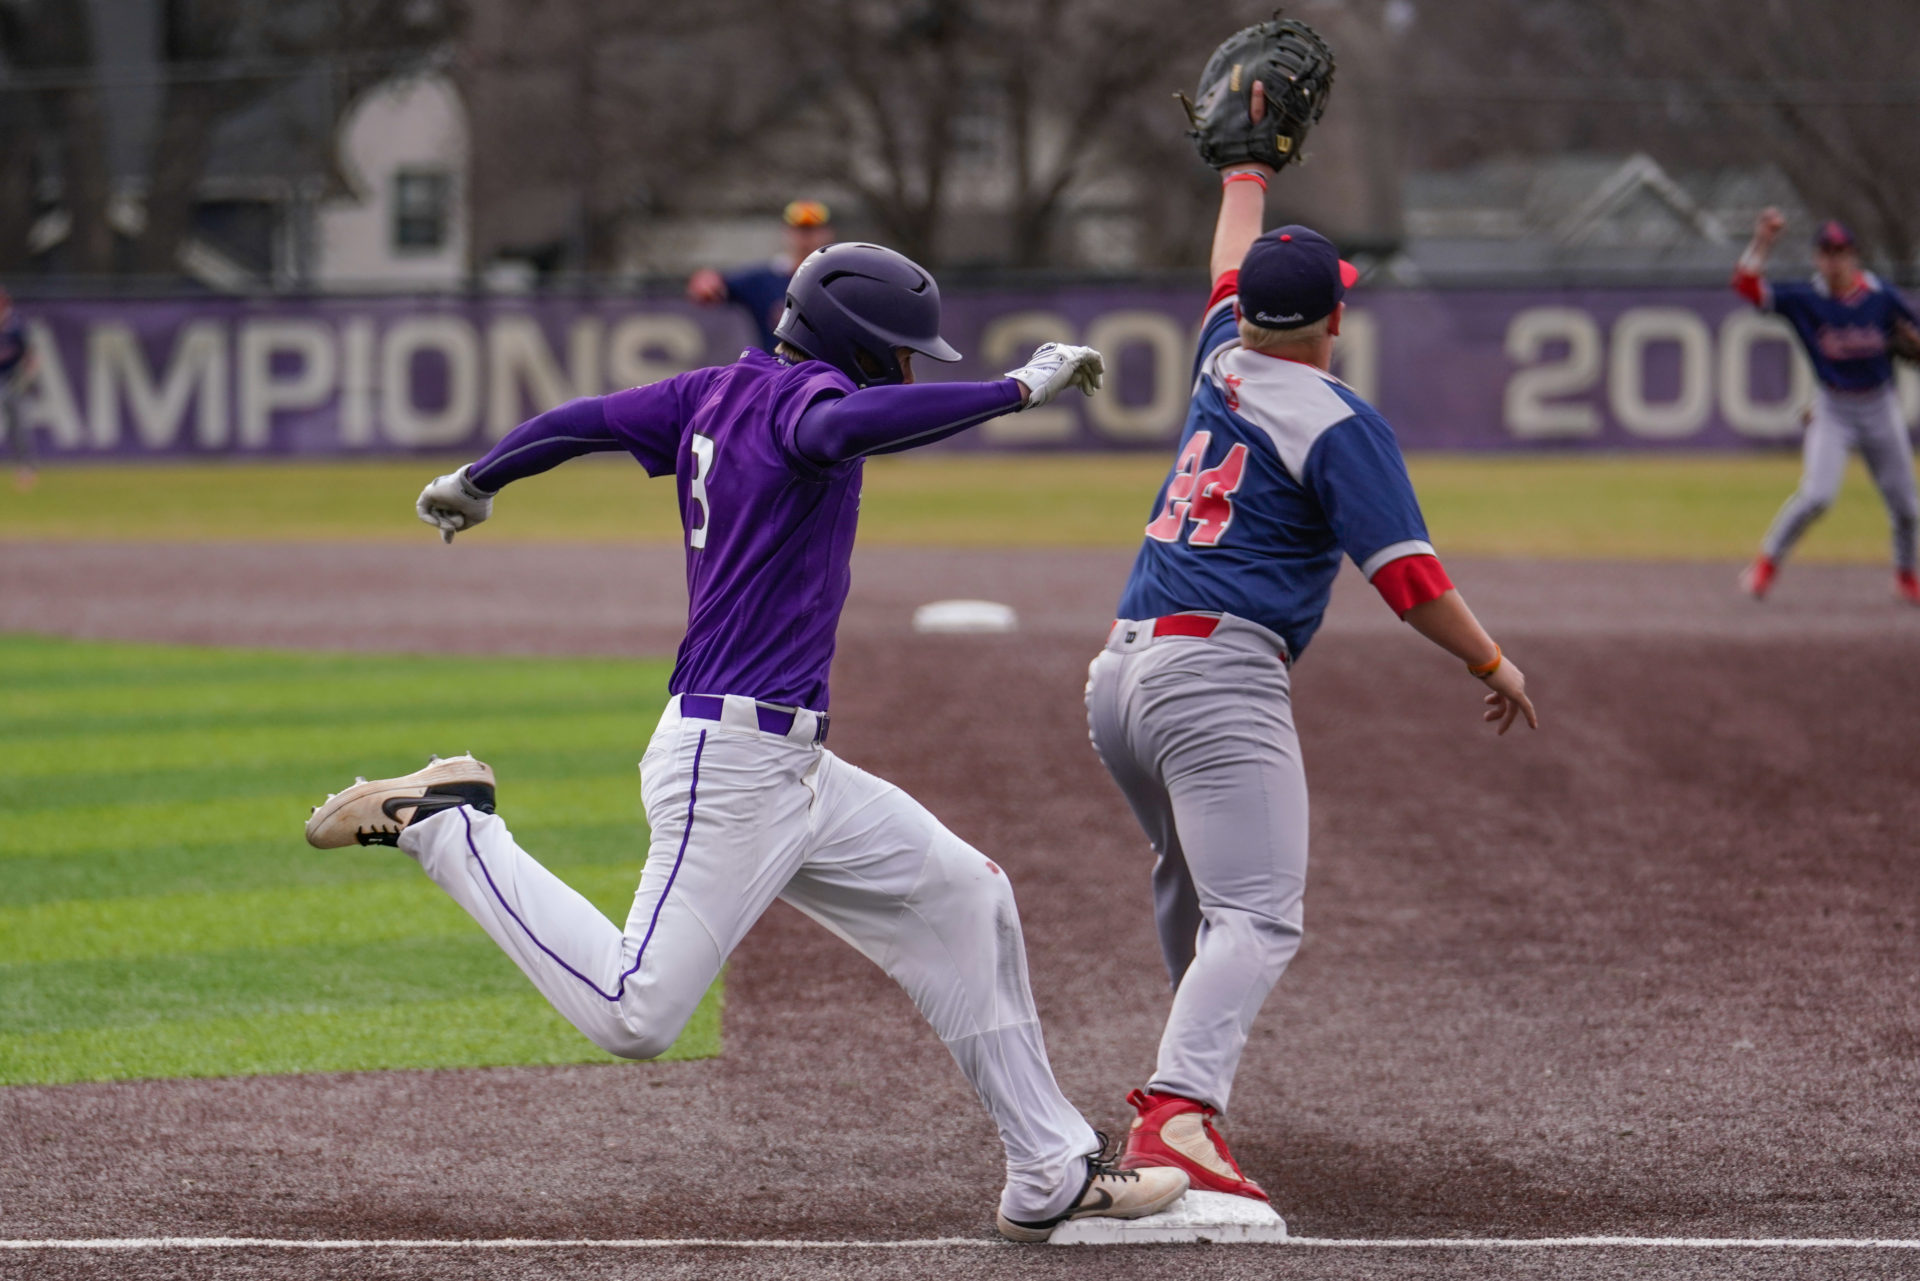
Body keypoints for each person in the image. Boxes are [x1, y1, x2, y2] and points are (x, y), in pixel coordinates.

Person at [304, 241, 1188, 1242]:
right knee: (637, 1016)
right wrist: (1015, 390)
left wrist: (480, 476)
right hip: (728, 766)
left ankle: (1049, 1172)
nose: (909, 370)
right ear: (855, 343)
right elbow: (852, 421)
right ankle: (448, 828)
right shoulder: (802, 406)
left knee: (965, 897)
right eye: (901, 352)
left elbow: (578, 423)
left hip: (794, 768)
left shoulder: (711, 391)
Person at [1082, 87, 1539, 1203]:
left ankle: (1186, 1085)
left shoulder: (1218, 363)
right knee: (1259, 912)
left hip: (1118, 677)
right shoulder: (1335, 417)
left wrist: (1244, 176)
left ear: (1247, 315)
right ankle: (1178, 1114)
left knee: (1194, 888)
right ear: (1337, 317)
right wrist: (1491, 662)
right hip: (1214, 679)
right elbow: (1411, 582)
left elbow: (1230, 268)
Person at [1733, 211, 1920, 604]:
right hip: (1833, 408)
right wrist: (1763, 241)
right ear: (1817, 258)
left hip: (1880, 406)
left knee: (1906, 506)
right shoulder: (1806, 299)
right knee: (1817, 496)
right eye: (1826, 253)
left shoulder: (1879, 296)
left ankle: (1906, 576)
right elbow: (1746, 287)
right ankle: (1766, 564)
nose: (1834, 261)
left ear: (1853, 255)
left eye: (1840, 252)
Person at [686, 200, 835, 352]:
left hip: (828, 371)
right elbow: (714, 282)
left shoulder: (837, 278)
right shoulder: (764, 279)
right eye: (800, 231)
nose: (806, 238)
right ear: (786, 233)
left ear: (827, 233)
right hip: (778, 371)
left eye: (813, 230)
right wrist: (706, 280)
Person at [0, 288, 35, 491]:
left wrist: (25, 377)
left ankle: (26, 468)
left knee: (19, 426)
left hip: (13, 380)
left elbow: (30, 356)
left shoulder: (16, 327)